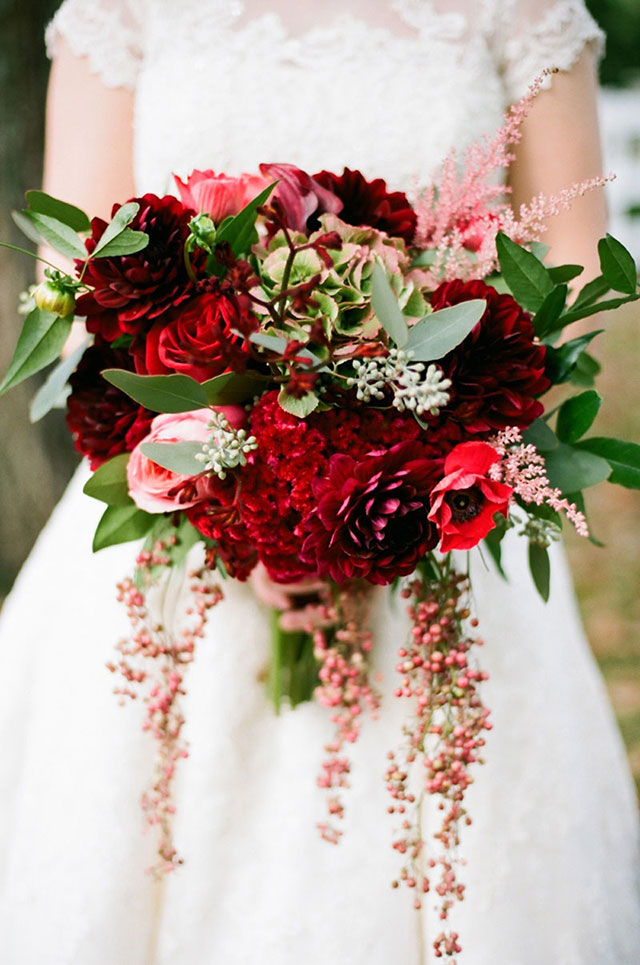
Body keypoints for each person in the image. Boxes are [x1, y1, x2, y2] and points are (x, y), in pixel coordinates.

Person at [1, 1, 639, 962]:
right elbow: (79, 276)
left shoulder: (524, 9)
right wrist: (242, 507)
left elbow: (575, 261)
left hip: (442, 526)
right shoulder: (119, 11)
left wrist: (418, 444)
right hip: (178, 520)